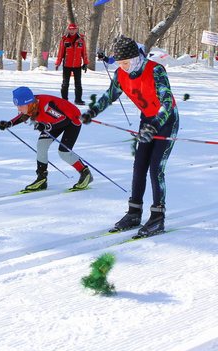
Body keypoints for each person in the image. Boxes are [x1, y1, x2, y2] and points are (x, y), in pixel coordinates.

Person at [80, 35, 179, 238]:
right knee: (139, 166)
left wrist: (154, 126)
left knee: (155, 169)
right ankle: (134, 213)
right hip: (147, 121)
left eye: (126, 62)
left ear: (135, 58)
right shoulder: (120, 74)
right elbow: (110, 96)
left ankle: (157, 217)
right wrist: (92, 112)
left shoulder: (155, 70)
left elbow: (166, 103)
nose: (123, 67)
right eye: (119, 63)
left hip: (166, 121)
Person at [0, 86, 92, 192]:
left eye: (20, 106)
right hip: (53, 123)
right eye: (17, 106)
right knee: (41, 145)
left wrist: (46, 127)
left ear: (29, 102)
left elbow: (63, 119)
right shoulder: (30, 106)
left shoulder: (47, 106)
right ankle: (41, 179)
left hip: (71, 121)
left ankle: (85, 173)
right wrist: (9, 123)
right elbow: (24, 115)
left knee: (63, 153)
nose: (19, 109)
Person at [54, 23, 89, 105]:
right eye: (70, 29)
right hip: (67, 65)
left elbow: (84, 53)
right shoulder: (64, 39)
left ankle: (78, 99)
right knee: (65, 83)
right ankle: (64, 100)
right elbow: (61, 52)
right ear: (68, 30)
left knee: (78, 84)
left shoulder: (81, 39)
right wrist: (58, 63)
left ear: (76, 30)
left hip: (77, 65)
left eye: (74, 29)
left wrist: (85, 63)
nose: (72, 31)